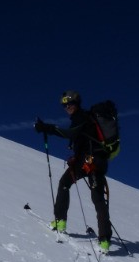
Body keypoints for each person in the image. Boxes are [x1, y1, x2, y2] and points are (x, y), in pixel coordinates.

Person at [34, 90, 113, 252]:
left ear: (77, 103)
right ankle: (104, 240)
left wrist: (47, 128)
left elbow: (70, 133)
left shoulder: (81, 118)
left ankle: (60, 220)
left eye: (70, 103)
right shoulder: (88, 119)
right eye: (64, 105)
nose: (67, 107)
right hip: (97, 161)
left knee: (65, 183)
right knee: (97, 197)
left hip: (88, 161)